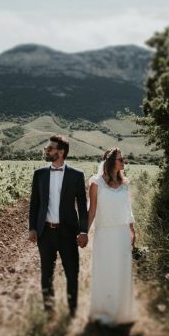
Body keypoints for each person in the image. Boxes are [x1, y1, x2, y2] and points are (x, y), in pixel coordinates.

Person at [28, 134, 88, 316]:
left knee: (72, 274)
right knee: (46, 275)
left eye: (50, 148)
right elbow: (34, 204)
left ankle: (72, 312)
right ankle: (49, 313)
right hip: (45, 232)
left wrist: (83, 230)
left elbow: (83, 207)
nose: (47, 151)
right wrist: (32, 227)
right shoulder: (39, 174)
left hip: (68, 233)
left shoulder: (77, 175)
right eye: (47, 148)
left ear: (61, 152)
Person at [87, 147, 137, 325]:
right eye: (120, 159)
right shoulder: (96, 183)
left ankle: (122, 311)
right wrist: (84, 232)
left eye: (123, 159)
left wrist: (132, 230)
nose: (124, 162)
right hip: (105, 232)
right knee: (105, 271)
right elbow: (92, 211)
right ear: (110, 162)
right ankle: (104, 311)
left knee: (122, 270)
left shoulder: (125, 184)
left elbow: (127, 208)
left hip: (122, 232)